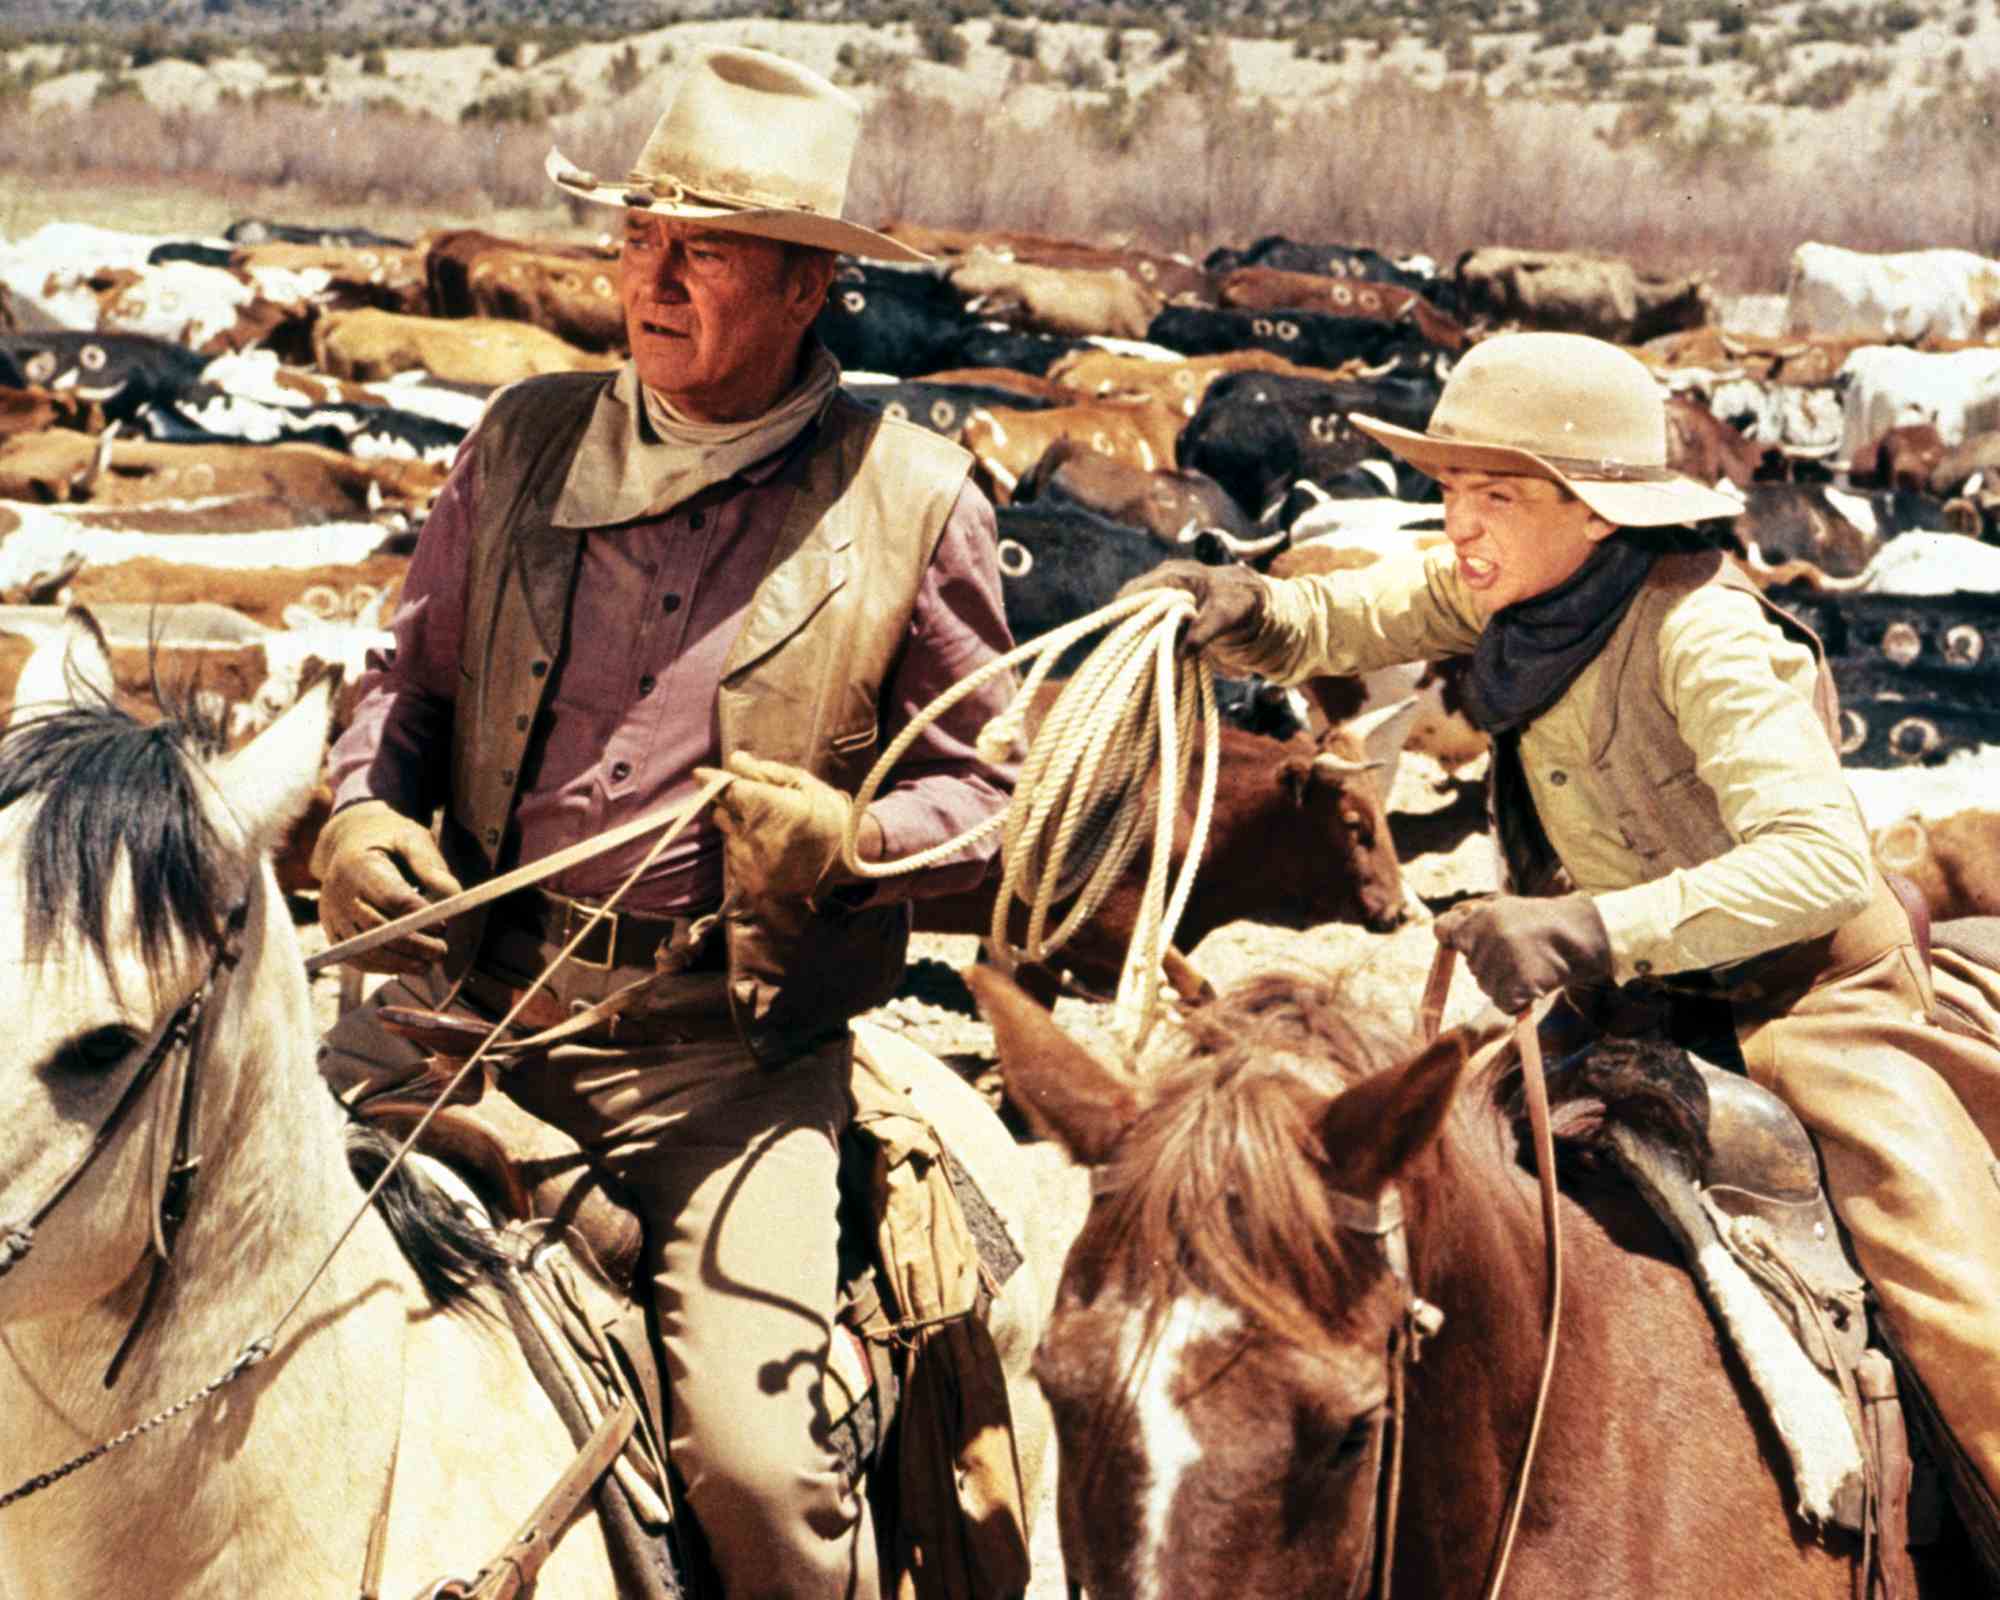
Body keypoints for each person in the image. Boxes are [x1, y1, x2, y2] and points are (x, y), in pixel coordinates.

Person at [315, 46, 1016, 1600]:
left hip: (720, 1067)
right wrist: (362, 811)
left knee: (762, 1480)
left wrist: (858, 841)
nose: (653, 275)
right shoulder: (519, 442)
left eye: (704, 248)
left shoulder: (910, 499)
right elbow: (404, 680)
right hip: (462, 1008)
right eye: (638, 238)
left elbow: (996, 797)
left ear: (805, 286)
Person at [1127, 330, 2000, 1523]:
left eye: (1495, 493)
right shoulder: (1511, 590)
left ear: (1593, 512)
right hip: (1625, 999)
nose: (1459, 523)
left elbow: (1815, 860)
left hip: (1801, 1002)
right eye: (1447, 490)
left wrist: (1587, 926)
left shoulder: (1701, 629)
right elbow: (1343, 617)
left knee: (1959, 1311)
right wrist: (1240, 607)